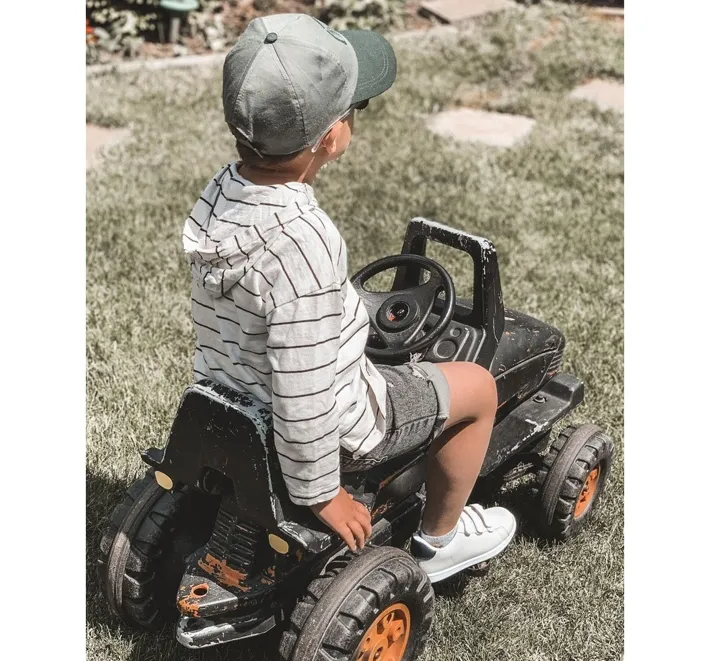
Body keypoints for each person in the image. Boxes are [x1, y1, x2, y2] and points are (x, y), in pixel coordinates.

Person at [182, 13, 516, 583]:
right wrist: (322, 496)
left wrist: (343, 309)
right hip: (344, 429)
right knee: (477, 387)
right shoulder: (305, 243)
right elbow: (305, 393)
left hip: (233, 400)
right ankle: (442, 540)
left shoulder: (221, 195)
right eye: (353, 108)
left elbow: (276, 318)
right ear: (332, 136)